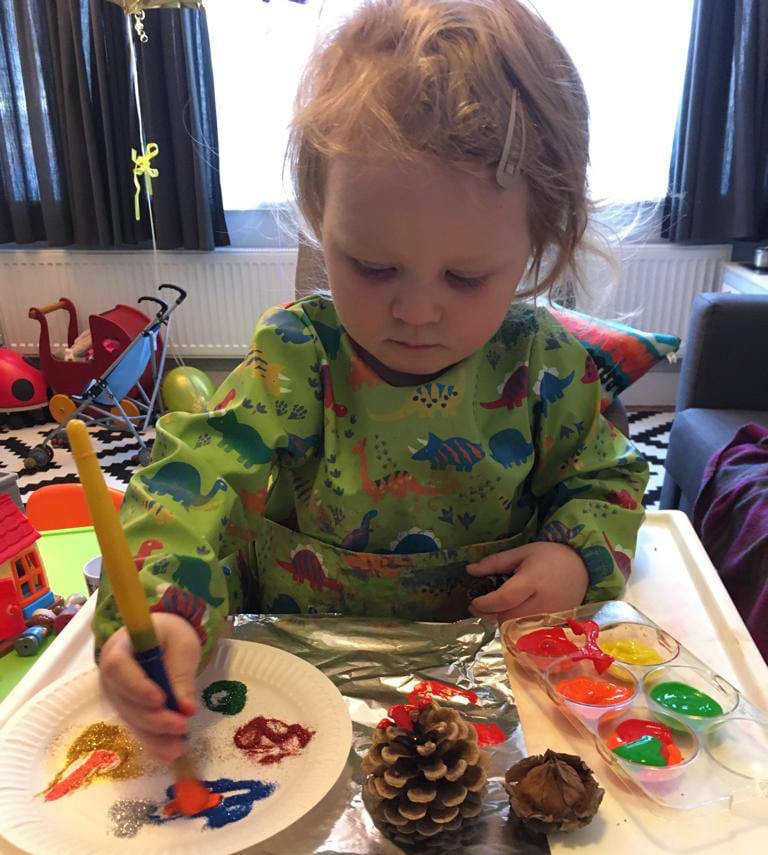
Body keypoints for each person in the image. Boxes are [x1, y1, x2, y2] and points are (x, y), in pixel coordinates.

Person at [94, 0, 649, 763]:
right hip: (290, 690)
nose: (417, 311)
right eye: (373, 267)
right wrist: (163, 609)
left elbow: (609, 481)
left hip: (488, 695)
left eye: (466, 276)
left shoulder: (544, 362)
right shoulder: (296, 351)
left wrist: (571, 557)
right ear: (322, 219)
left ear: (538, 242)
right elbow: (192, 482)